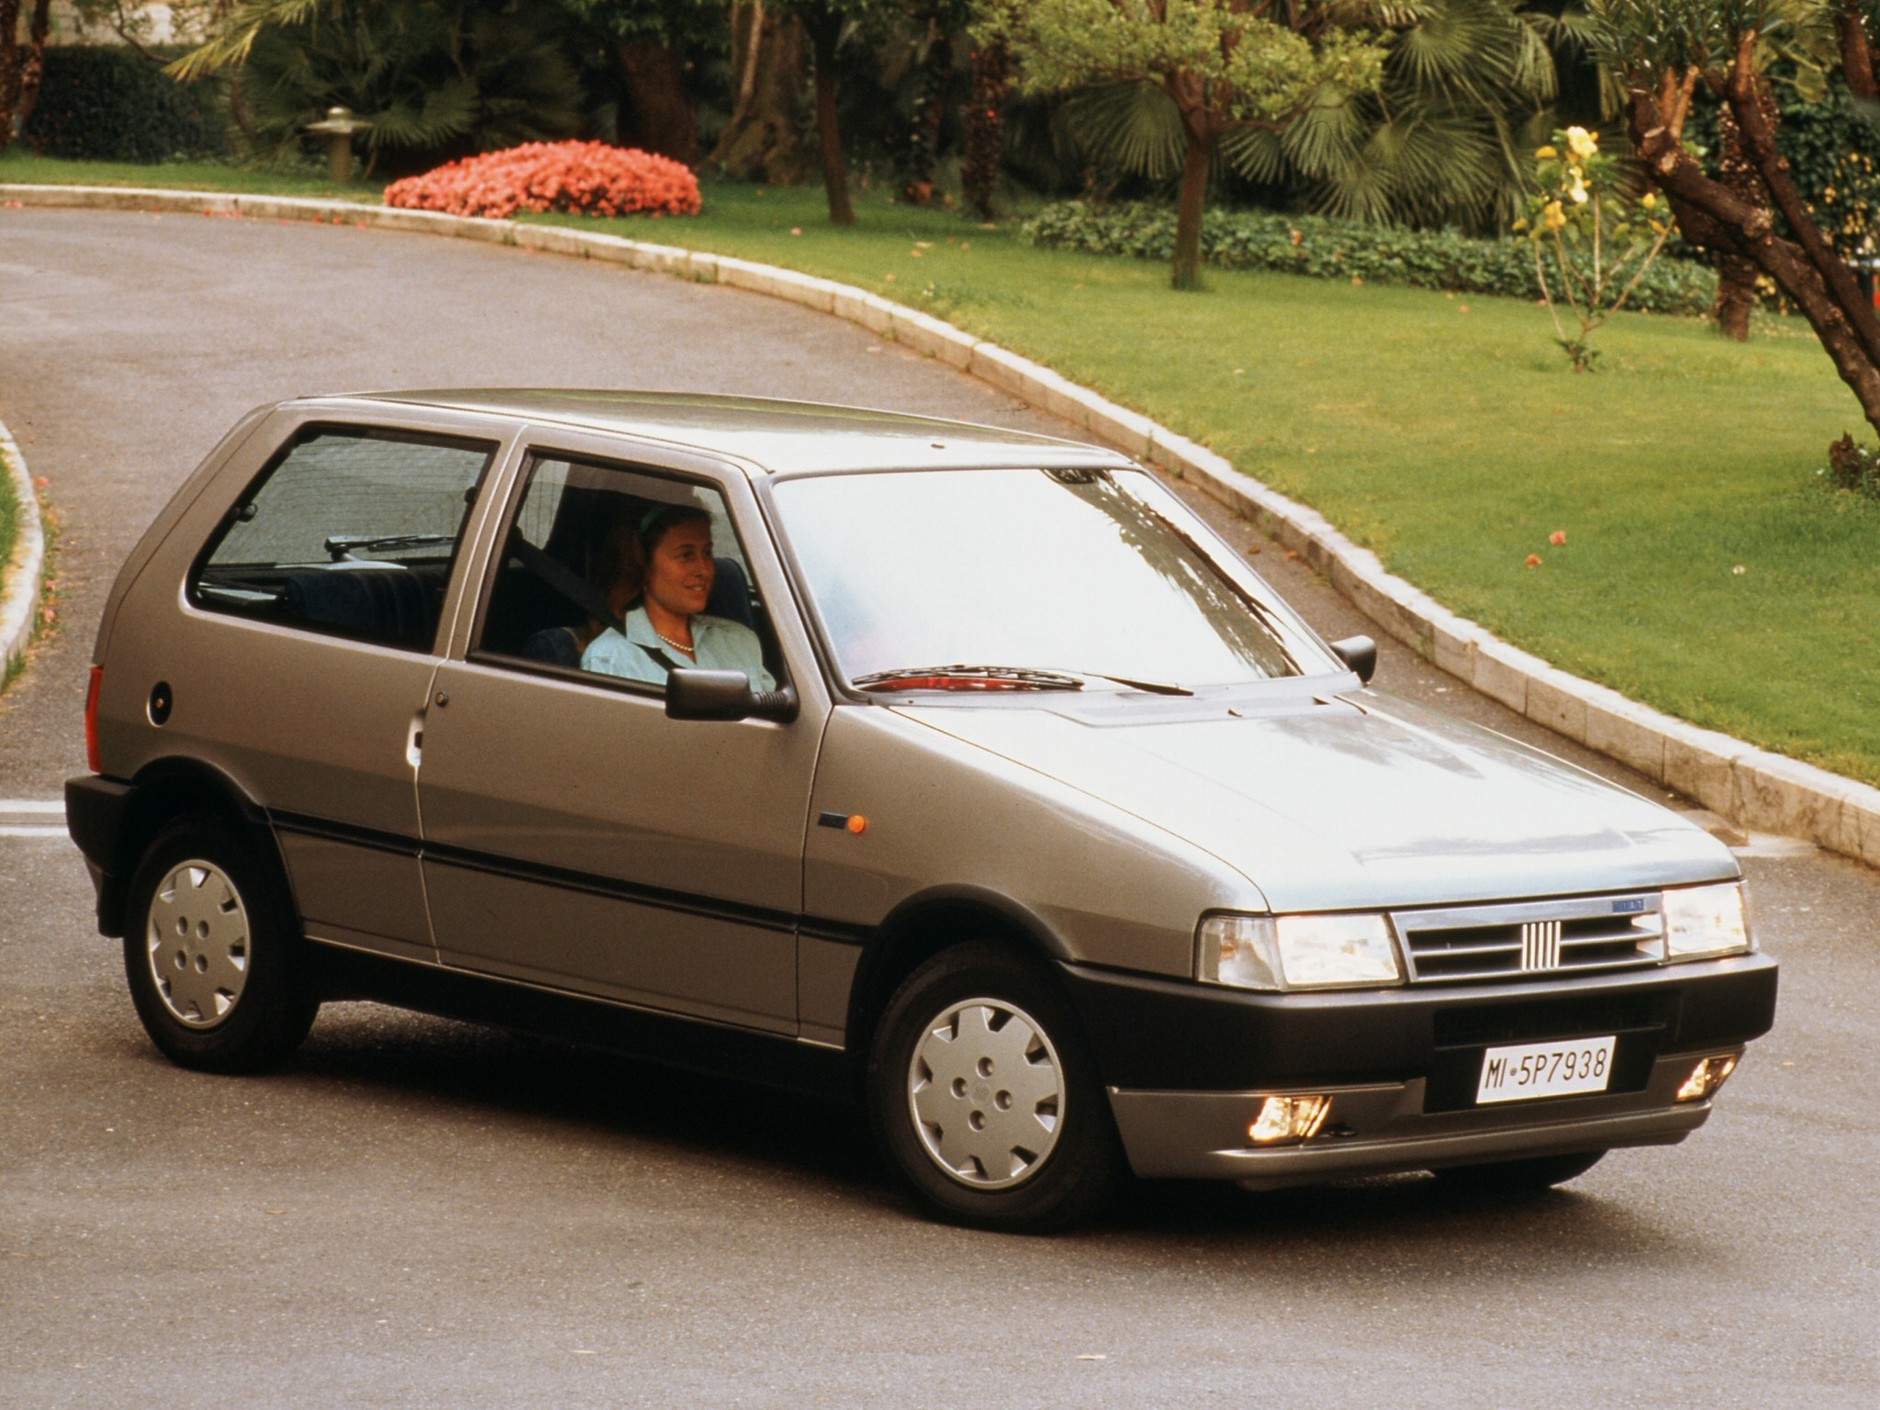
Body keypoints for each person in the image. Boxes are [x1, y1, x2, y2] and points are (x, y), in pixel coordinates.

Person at [581, 502, 775, 689]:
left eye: (707, 553)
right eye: (686, 555)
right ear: (645, 566)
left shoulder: (739, 640)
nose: (704, 569)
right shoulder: (609, 659)